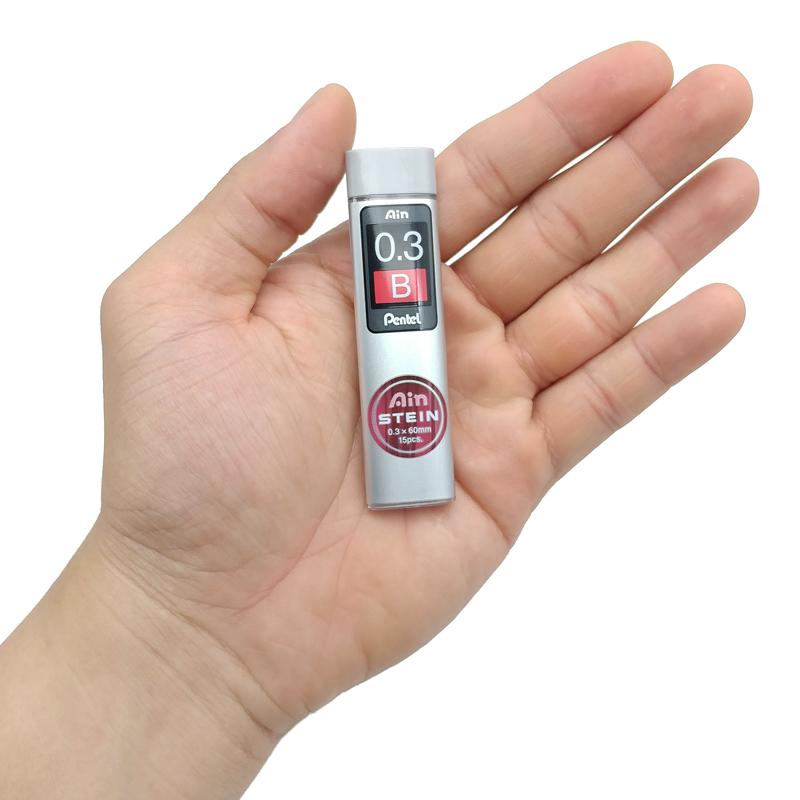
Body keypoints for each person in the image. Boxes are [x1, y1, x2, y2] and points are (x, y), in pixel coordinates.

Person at [0, 41, 757, 798]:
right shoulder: (388, 235)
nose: (397, 257)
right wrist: (176, 620)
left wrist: (176, 641)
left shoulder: (402, 234)